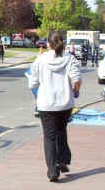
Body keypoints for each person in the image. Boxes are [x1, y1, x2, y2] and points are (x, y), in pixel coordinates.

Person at [28, 31, 82, 182]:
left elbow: (32, 83)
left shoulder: (39, 60)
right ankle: (63, 159)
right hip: (65, 103)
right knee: (61, 129)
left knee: (49, 137)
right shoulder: (69, 59)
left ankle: (52, 171)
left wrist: (37, 92)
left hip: (46, 104)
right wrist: (75, 91)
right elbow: (77, 79)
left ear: (48, 43)